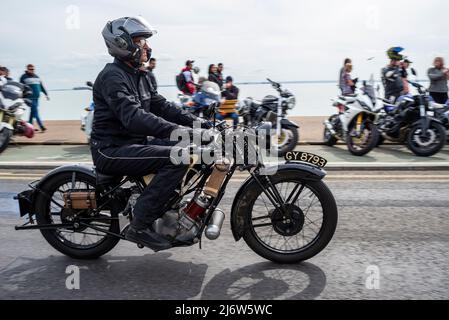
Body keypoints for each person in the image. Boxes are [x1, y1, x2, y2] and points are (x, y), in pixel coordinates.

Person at [90, 16, 212, 251]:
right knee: (180, 157)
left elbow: (163, 107)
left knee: (197, 152)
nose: (146, 46)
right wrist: (182, 132)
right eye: (140, 41)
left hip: (136, 143)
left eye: (145, 40)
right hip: (112, 149)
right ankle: (140, 226)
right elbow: (134, 118)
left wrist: (200, 124)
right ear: (122, 44)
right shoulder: (112, 77)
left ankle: (169, 205)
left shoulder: (140, 75)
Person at [20, 64, 50, 132]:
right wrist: (21, 96)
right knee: (35, 112)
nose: (32, 70)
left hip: (36, 98)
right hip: (29, 98)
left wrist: (46, 94)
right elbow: (20, 87)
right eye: (30, 69)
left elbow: (41, 86)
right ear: (27, 69)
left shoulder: (37, 77)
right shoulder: (23, 77)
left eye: (33, 69)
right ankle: (41, 126)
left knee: (33, 112)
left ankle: (30, 127)